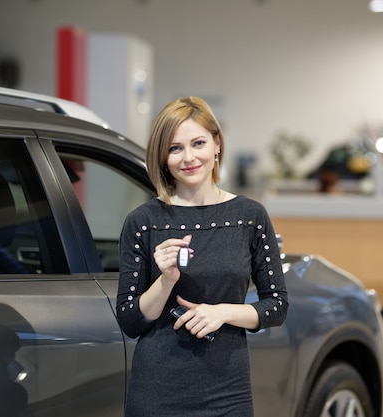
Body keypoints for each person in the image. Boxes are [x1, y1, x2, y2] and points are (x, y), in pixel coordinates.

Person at [116, 96, 288, 417]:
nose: (189, 157)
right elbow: (129, 319)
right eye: (175, 148)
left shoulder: (249, 216)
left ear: (217, 144)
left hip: (228, 391)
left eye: (198, 143)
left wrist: (223, 312)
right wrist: (165, 281)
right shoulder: (143, 222)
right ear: (163, 156)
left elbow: (277, 305)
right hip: (158, 392)